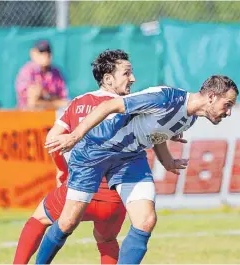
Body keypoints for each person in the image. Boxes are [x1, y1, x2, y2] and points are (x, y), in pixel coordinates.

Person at [39, 75, 239, 264]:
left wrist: (167, 161)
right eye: (227, 105)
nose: (229, 112)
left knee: (146, 220)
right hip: (96, 149)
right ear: (211, 97)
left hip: (129, 158)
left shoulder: (191, 117)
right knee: (68, 222)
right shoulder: (165, 97)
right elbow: (110, 105)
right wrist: (74, 136)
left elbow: (156, 134)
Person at [13, 49, 187, 264]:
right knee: (107, 240)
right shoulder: (134, 104)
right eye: (126, 73)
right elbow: (156, 134)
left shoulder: (78, 102)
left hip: (77, 189)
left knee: (39, 218)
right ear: (107, 78)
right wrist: (168, 157)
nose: (133, 78)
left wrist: (62, 169)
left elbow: (52, 141)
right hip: (113, 197)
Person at [15, 40, 68, 110]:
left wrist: (44, 95)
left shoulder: (56, 72)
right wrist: (53, 99)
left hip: (53, 115)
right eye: (41, 52)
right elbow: (32, 102)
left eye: (48, 52)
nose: (46, 55)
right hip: (28, 116)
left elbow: (64, 100)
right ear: (33, 53)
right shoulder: (27, 71)